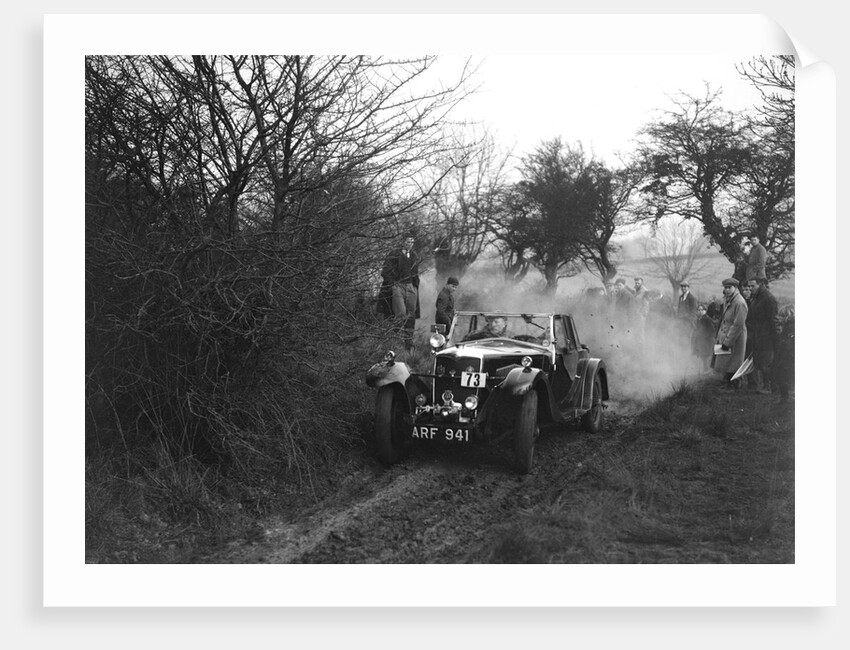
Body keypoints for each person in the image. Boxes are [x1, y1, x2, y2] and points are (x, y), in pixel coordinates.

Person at [381, 233, 420, 348]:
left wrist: (415, 285)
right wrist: (393, 284)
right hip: (398, 286)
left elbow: (415, 272)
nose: (410, 244)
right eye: (408, 241)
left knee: (411, 315)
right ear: (403, 242)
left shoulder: (414, 255)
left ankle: (408, 341)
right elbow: (385, 271)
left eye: (412, 242)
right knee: (401, 314)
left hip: (410, 286)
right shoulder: (394, 254)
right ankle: (394, 340)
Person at [712, 278, 748, 389]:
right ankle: (728, 384)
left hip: (736, 337)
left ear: (735, 288)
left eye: (729, 288)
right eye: (725, 288)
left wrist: (727, 341)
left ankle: (734, 386)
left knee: (734, 362)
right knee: (727, 361)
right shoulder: (730, 300)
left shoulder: (739, 302)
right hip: (727, 334)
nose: (727, 290)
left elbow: (738, 325)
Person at [747, 276, 778, 393]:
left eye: (752, 286)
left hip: (767, 336)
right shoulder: (757, 298)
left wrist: (775, 338)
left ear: (761, 285)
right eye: (749, 286)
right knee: (761, 361)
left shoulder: (768, 299)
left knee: (767, 362)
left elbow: (773, 320)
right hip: (758, 335)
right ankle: (766, 386)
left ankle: (769, 387)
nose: (750, 288)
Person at [772, 304, 795, 404]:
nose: (779, 318)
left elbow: (788, 343)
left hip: (787, 356)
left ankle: (784, 398)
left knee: (782, 376)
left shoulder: (790, 327)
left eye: (782, 316)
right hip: (789, 355)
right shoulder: (790, 326)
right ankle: (786, 397)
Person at [691, 303, 716, 373]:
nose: (700, 311)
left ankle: (707, 370)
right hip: (701, 341)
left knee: (705, 357)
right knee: (702, 357)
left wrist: (706, 338)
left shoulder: (707, 319)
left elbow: (712, 331)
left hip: (706, 341)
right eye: (698, 310)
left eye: (702, 310)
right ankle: (705, 370)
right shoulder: (699, 319)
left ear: (705, 310)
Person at [633, 277, 649, 344]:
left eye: (638, 283)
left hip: (641, 316)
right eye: (636, 283)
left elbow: (646, 305)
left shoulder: (645, 291)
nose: (637, 284)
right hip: (636, 315)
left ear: (642, 283)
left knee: (640, 334)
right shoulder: (636, 290)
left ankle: (641, 350)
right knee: (636, 333)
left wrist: (642, 315)